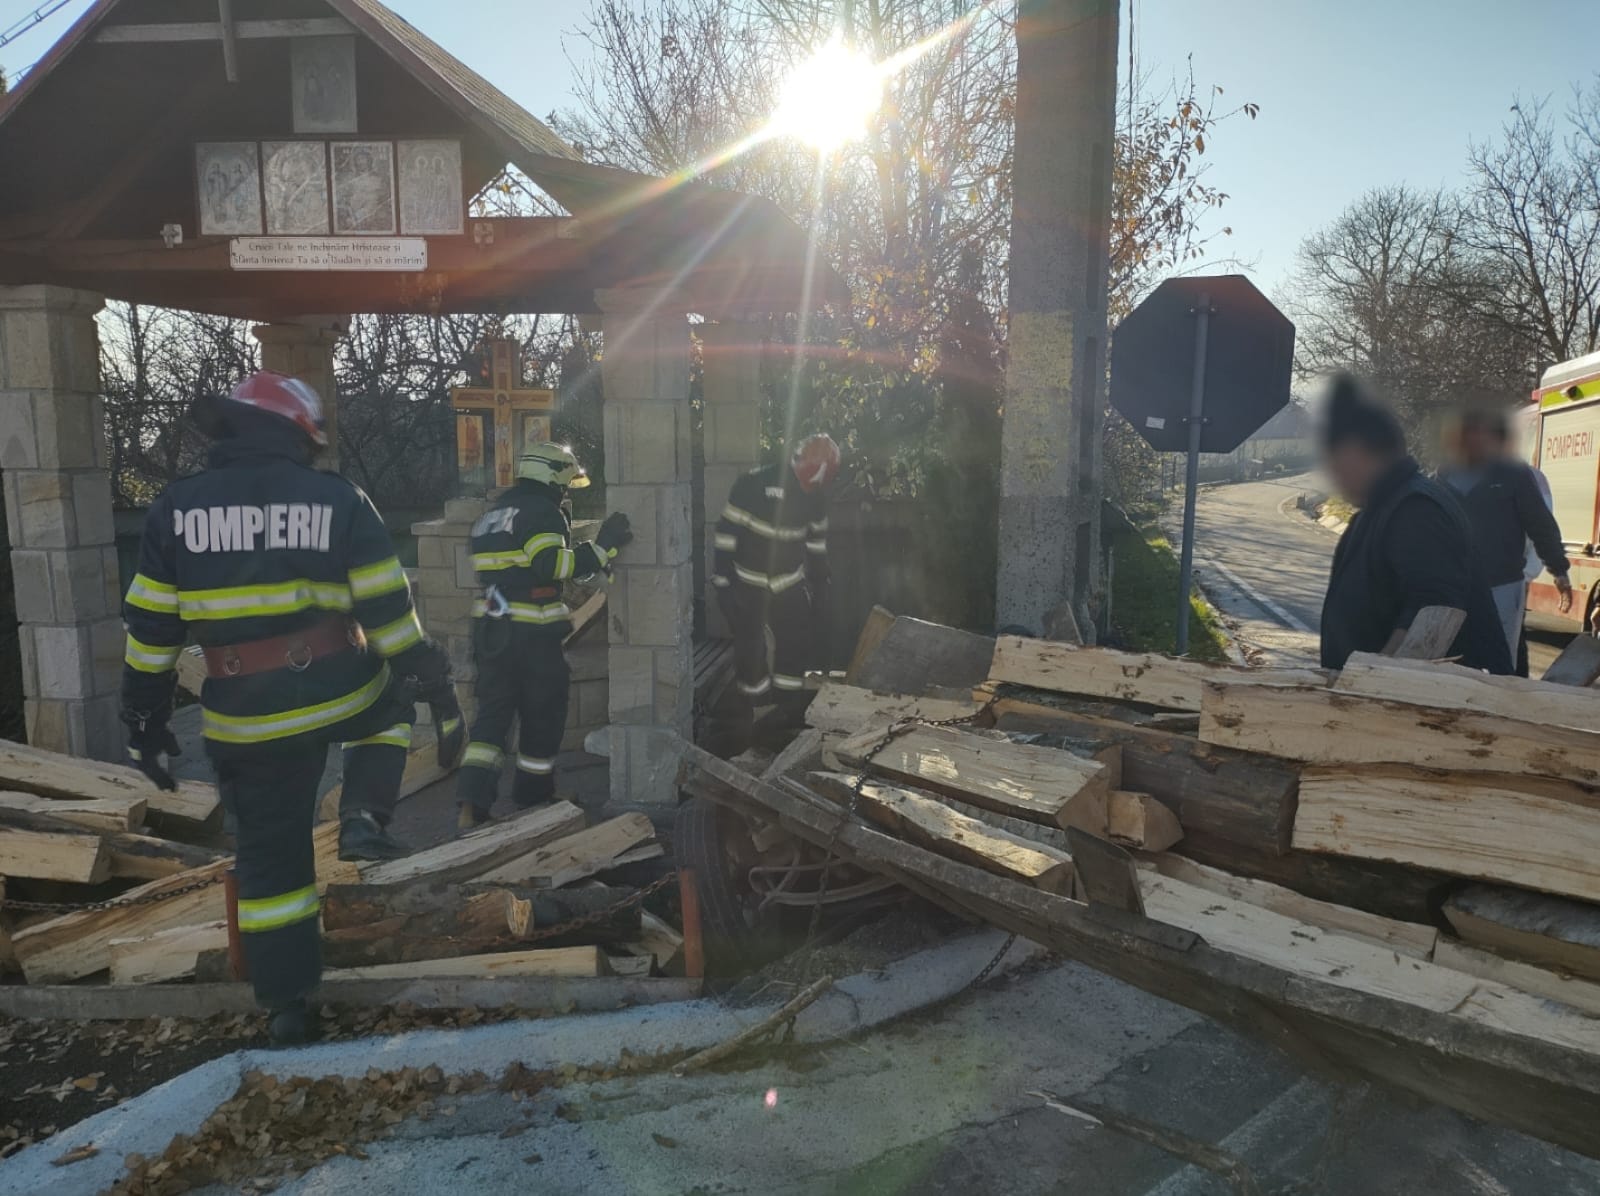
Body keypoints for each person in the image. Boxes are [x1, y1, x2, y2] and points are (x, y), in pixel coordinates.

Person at [121, 371, 464, 1045]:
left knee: (271, 861)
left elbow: (152, 628)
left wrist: (144, 718)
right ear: (299, 436)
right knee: (391, 708)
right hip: (340, 689)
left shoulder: (176, 508)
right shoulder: (336, 499)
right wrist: (431, 678)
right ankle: (364, 815)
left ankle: (287, 1005)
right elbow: (386, 609)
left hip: (245, 717)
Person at [455, 443, 632, 830]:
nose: (566, 492)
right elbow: (551, 565)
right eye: (565, 484)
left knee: (492, 716)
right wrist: (602, 547)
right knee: (543, 711)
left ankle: (471, 803)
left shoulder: (494, 514)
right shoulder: (542, 512)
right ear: (553, 478)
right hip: (530, 633)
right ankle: (533, 795)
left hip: (491, 630)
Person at [1316, 374, 1511, 673]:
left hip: (1430, 698)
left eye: (1336, 461)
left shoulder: (1416, 509)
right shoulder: (1378, 510)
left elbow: (1432, 610)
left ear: (1362, 452)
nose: (1333, 474)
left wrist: (1372, 683)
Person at [712, 434, 840, 719]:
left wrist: (821, 586)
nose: (808, 490)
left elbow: (816, 546)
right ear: (799, 465)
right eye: (807, 483)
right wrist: (722, 582)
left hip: (789, 582)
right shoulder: (753, 485)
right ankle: (755, 709)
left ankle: (785, 709)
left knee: (794, 645)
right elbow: (726, 534)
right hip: (749, 580)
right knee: (750, 647)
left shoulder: (816, 499)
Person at [1438, 406, 1572, 672]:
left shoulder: (1514, 475)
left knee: (1498, 658)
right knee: (1453, 658)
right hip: (1456, 584)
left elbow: (1541, 525)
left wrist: (1559, 570)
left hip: (1502, 585)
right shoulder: (1445, 474)